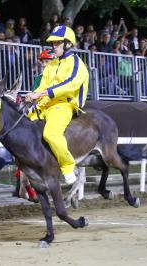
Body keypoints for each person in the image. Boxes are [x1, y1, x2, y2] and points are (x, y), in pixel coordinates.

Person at [25, 25, 89, 185]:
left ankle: (68, 167)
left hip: (64, 105)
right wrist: (33, 95)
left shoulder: (77, 63)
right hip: (45, 105)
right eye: (53, 43)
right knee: (22, 127)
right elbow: (42, 86)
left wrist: (43, 94)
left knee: (50, 134)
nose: (54, 46)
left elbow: (70, 84)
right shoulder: (51, 65)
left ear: (68, 44)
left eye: (57, 43)